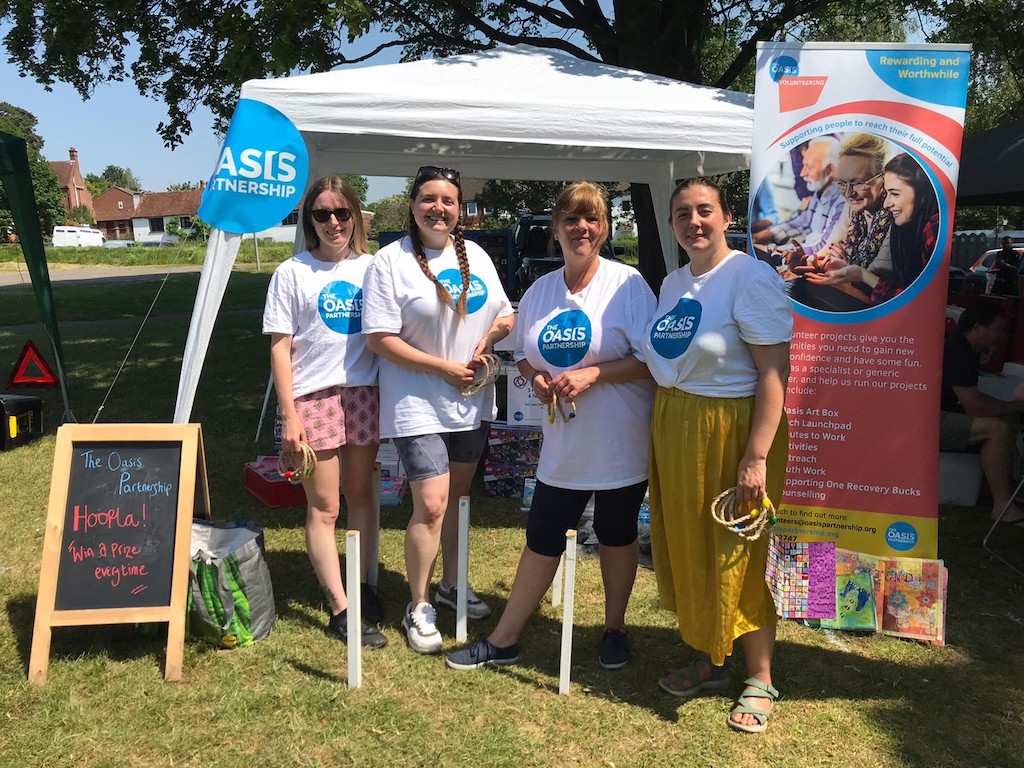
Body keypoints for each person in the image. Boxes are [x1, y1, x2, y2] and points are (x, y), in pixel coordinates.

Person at [446, 181, 656, 672]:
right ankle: (505, 639)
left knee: (616, 531)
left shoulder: (628, 285)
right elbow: (521, 354)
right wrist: (536, 378)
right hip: (564, 443)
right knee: (542, 532)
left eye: (592, 219)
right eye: (571, 219)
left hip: (620, 438)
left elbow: (654, 361)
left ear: (603, 229)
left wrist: (594, 374)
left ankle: (614, 628)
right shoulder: (541, 290)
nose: (581, 228)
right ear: (555, 229)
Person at [641, 178, 791, 734]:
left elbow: (775, 376)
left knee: (738, 552)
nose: (693, 221)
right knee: (690, 545)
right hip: (678, 424)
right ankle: (710, 657)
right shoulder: (675, 281)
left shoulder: (750, 278)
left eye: (704, 210)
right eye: (682, 213)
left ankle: (759, 676)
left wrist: (756, 457)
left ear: (727, 217)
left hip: (733, 429)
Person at [362, 165, 514, 654]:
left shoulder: (478, 257)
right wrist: (441, 367)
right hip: (416, 403)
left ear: (460, 209)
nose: (438, 209)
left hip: (471, 403)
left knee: (459, 499)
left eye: (448, 201)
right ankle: (419, 603)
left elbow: (506, 313)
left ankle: (452, 584)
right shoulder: (390, 261)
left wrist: (487, 340)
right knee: (430, 504)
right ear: (412, 204)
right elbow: (379, 338)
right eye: (429, 199)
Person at [262, 175, 387, 648]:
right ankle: (340, 606)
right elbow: (279, 347)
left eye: (342, 212)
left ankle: (362, 586)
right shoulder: (291, 273)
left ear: (355, 216)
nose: (333, 222)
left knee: (362, 496)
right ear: (308, 221)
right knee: (326, 505)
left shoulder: (374, 268)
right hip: (313, 398)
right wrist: (289, 414)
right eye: (322, 214)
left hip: (364, 393)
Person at [806, 152, 938, 304]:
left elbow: (912, 302)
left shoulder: (932, 229)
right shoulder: (909, 224)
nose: (887, 203)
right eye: (842, 183)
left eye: (894, 194)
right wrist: (852, 271)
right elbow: (829, 248)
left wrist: (854, 277)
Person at [940, 303, 1024, 525]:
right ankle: (1003, 507)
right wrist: (1015, 406)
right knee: (996, 429)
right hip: (930, 421)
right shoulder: (958, 351)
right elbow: (975, 407)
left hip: (938, 414)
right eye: (997, 328)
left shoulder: (965, 349)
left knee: (995, 421)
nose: (1001, 335)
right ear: (978, 328)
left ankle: (995, 488)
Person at [798, 134, 893, 289]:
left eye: (858, 183)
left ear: (883, 178)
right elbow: (827, 251)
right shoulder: (854, 208)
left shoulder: (896, 215)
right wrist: (805, 260)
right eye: (842, 183)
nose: (848, 193)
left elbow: (875, 288)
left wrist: (846, 267)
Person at [755, 136, 845, 255]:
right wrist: (770, 233)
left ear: (829, 170)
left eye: (808, 167)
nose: (802, 173)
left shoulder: (842, 203)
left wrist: (780, 250)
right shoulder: (818, 193)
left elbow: (825, 246)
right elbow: (802, 222)